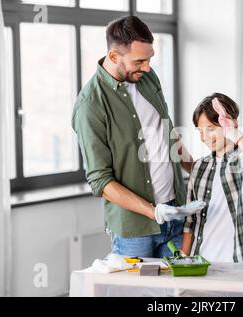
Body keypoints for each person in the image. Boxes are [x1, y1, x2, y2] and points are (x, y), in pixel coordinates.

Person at [72, 16, 205, 258]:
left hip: (176, 215)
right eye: (139, 61)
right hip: (134, 232)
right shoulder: (90, 105)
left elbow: (168, 134)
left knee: (179, 292)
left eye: (150, 59)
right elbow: (100, 181)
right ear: (113, 56)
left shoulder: (147, 77)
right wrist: (153, 212)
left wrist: (199, 172)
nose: (147, 67)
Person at [182, 93, 243, 263]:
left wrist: (236, 135)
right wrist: (184, 256)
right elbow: (191, 220)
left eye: (211, 129)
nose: (204, 137)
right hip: (202, 262)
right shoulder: (198, 167)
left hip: (242, 262)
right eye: (200, 131)